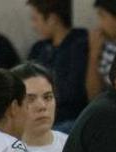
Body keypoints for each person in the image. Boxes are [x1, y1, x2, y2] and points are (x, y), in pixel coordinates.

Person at [27, 0, 89, 132]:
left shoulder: (79, 45)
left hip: (67, 118)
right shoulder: (39, 49)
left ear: (52, 19)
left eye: (35, 19)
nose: (33, 25)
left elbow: (72, 93)